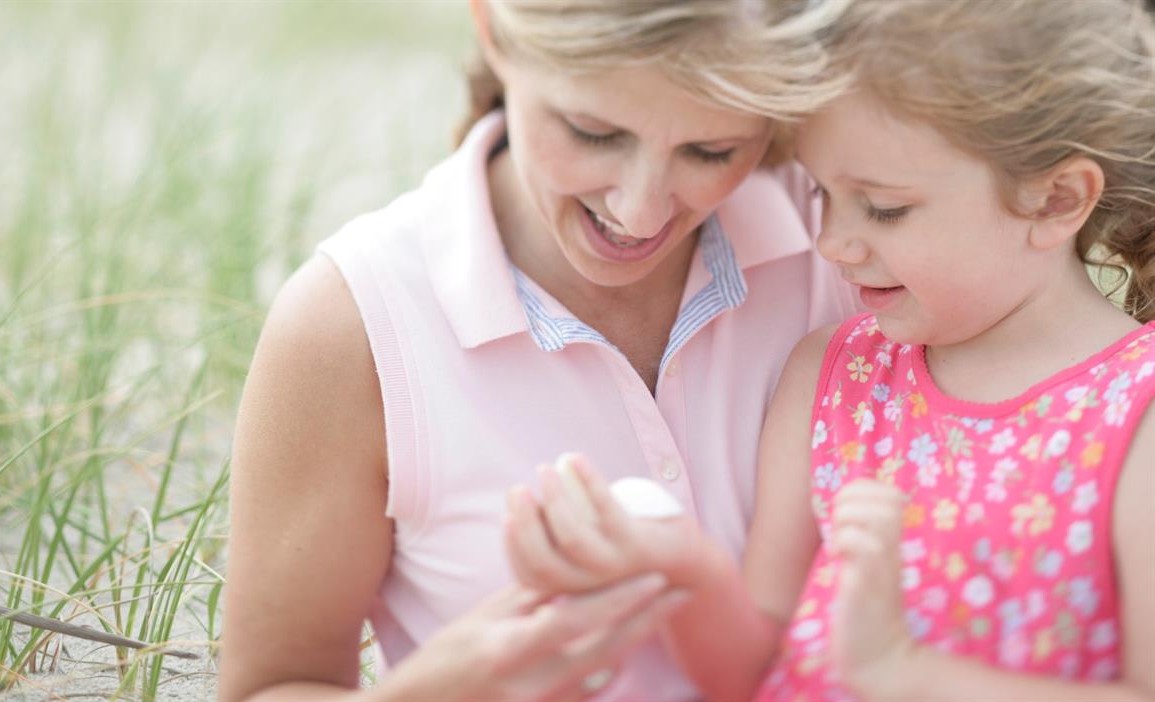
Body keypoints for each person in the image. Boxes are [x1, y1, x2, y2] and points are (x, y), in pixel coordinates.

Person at [505, 0, 1155, 700]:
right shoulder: (835, 374)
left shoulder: (1135, 408)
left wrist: (902, 673)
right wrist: (683, 570)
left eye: (883, 208)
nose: (832, 243)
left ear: (1057, 199)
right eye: (823, 193)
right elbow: (754, 668)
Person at [216, 0, 861, 699]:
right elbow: (270, 685)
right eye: (593, 132)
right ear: (493, 30)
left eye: (712, 151)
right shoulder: (351, 326)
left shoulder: (856, 233)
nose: (640, 212)